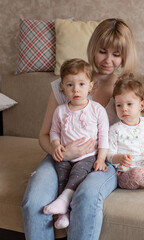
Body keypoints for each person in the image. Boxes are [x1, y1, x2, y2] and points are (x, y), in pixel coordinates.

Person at [22, 18, 144, 240]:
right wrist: (63, 152)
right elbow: (44, 135)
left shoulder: (125, 90)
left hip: (102, 162)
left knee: (85, 200)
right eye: (103, 51)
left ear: (125, 56)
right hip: (60, 157)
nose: (108, 60)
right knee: (33, 203)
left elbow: (139, 133)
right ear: (93, 48)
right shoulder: (67, 83)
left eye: (116, 54)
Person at [42, 58, 109, 229]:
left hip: (88, 157)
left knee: (77, 174)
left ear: (90, 86)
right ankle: (64, 215)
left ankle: (65, 204)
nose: (76, 89)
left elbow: (103, 137)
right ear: (62, 87)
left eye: (81, 84)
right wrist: (56, 145)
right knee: (62, 177)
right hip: (65, 156)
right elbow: (54, 132)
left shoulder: (96, 109)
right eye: (70, 85)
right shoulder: (60, 110)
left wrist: (100, 159)